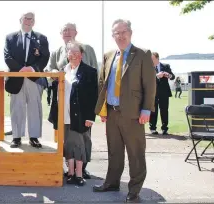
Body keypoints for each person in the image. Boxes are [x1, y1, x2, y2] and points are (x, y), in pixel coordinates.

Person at [93, 19, 156, 203]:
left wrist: (146, 110)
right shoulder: (108, 55)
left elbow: (150, 85)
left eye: (123, 32)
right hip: (112, 112)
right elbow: (102, 84)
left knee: (135, 153)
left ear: (130, 32)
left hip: (134, 114)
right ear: (112, 36)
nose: (120, 36)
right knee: (114, 151)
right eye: (116, 33)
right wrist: (103, 109)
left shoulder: (143, 54)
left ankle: (134, 191)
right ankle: (111, 183)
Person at [45, 22, 98, 180]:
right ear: (61, 34)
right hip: (65, 105)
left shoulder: (87, 48)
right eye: (64, 30)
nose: (67, 32)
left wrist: (92, 113)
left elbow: (95, 78)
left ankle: (83, 168)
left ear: (76, 31)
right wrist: (53, 72)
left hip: (83, 105)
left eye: (70, 30)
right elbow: (50, 70)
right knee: (68, 139)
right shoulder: (57, 52)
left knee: (84, 138)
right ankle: (71, 169)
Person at [4, 11, 50, 148]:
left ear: (34, 22)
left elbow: (45, 57)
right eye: (26, 18)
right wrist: (20, 69)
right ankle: (16, 137)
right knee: (16, 107)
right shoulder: (10, 37)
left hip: (34, 78)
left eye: (31, 19)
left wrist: (32, 69)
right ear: (20, 20)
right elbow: (7, 56)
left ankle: (34, 137)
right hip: (16, 78)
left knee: (35, 108)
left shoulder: (42, 38)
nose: (28, 21)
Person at [149, 52, 175, 135]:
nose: (151, 60)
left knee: (164, 110)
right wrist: (157, 76)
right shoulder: (148, 67)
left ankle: (164, 128)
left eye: (152, 58)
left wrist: (169, 75)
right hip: (153, 93)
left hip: (164, 92)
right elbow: (147, 79)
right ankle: (153, 128)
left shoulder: (166, 66)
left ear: (157, 58)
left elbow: (173, 77)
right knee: (153, 111)